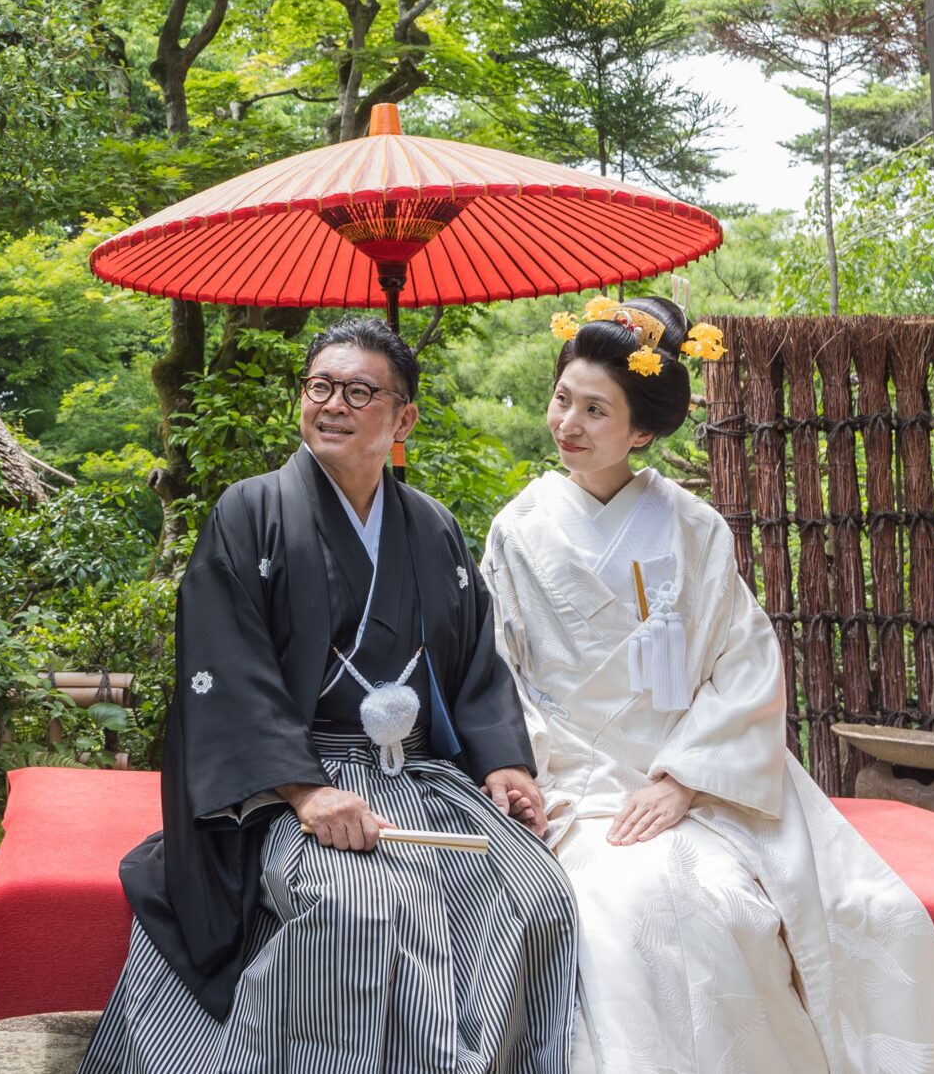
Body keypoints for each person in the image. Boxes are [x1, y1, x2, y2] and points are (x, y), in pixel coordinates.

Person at [481, 296, 934, 1074]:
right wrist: (545, 775)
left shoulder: (693, 527)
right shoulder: (516, 528)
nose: (568, 423)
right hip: (571, 781)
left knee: (839, 908)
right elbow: (497, 672)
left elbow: (745, 662)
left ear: (643, 430)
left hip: (691, 776)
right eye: (563, 399)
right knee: (633, 906)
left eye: (595, 409)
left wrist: (684, 777)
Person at [83, 318, 579, 1074]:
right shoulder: (250, 512)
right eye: (320, 387)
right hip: (293, 783)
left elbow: (475, 660)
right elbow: (224, 666)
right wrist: (307, 790)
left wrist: (506, 761)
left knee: (537, 893)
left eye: (358, 391)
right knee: (359, 910)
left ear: (402, 417)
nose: (333, 404)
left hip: (414, 777)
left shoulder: (431, 526)